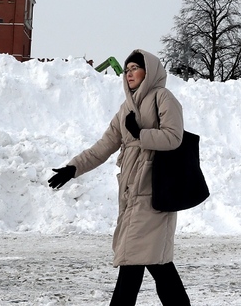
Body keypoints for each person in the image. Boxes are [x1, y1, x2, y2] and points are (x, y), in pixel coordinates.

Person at [48, 49, 191, 306]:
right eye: (126, 70)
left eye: (135, 68)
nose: (129, 74)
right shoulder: (126, 109)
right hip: (130, 196)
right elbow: (104, 146)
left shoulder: (164, 98)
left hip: (154, 194)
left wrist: (140, 134)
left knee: (135, 263)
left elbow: (174, 137)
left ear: (149, 71)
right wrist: (73, 168)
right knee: (155, 265)